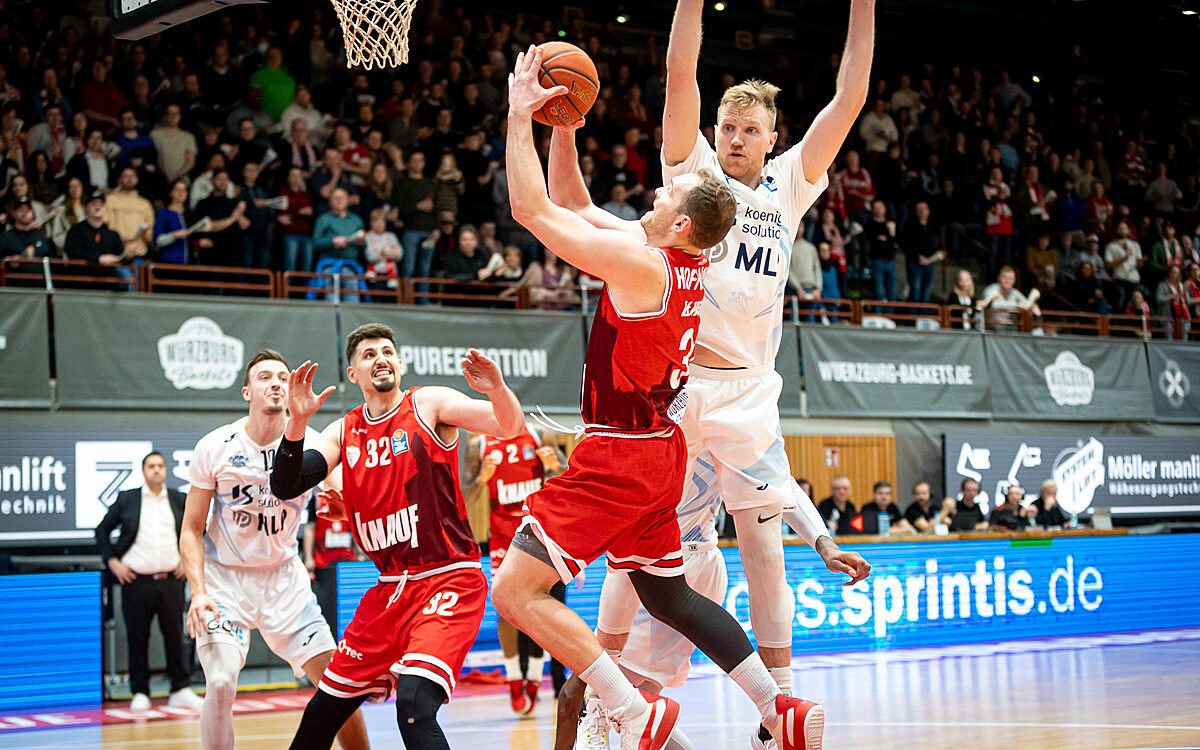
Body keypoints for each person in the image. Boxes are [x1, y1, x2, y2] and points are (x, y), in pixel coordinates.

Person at [493, 46, 817, 750]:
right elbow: (575, 202)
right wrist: (563, 123)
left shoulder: (641, 263)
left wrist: (520, 116)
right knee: (668, 595)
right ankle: (778, 704)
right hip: (662, 453)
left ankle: (634, 714)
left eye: (662, 198)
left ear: (677, 224)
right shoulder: (684, 261)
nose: (650, 197)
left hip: (619, 454)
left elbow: (531, 208)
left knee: (514, 592)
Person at [635, 4, 875, 745]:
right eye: (728, 127)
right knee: (648, 554)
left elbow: (849, 99)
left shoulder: (790, 186)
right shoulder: (694, 177)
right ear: (715, 134)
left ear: (772, 138)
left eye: (750, 129)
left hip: (747, 390)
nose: (736, 138)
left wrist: (863, 8)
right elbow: (680, 72)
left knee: (764, 545)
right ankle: (630, 701)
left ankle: (781, 708)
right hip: (677, 386)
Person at [272, 326, 522, 750]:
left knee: (414, 705)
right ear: (354, 373)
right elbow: (286, 484)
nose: (381, 358)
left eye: (388, 351)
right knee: (320, 713)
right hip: (390, 589)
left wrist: (497, 388)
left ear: (401, 365)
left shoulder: (428, 403)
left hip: (449, 578)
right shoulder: (342, 432)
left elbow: (508, 424)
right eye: (369, 355)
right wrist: (297, 422)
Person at [180, 350, 369, 750]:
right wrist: (198, 592)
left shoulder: (315, 443)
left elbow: (342, 499)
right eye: (265, 377)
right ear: (248, 392)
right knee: (220, 680)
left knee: (339, 683)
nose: (277, 383)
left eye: (283, 377)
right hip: (224, 583)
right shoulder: (216, 445)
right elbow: (191, 529)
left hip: (285, 580)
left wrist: (341, 503)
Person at [94, 451, 203, 713]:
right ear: (143, 471)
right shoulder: (128, 499)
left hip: (171, 580)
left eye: (160, 466)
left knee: (176, 635)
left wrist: (186, 562)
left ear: (166, 470)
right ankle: (140, 691)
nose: (156, 470)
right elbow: (101, 531)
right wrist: (113, 562)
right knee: (137, 637)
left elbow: (199, 531)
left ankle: (180, 688)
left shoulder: (179, 499)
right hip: (136, 582)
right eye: (151, 466)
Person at [467, 424, 561, 715]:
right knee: (504, 607)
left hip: (538, 532)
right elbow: (466, 495)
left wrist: (554, 467)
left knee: (539, 606)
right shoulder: (478, 445)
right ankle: (513, 678)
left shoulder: (538, 434)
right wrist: (482, 480)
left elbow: (567, 476)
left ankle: (533, 677)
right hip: (502, 535)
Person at [302, 475, 358, 638]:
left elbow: (355, 522)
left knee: (350, 610)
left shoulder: (350, 491)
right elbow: (310, 528)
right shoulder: (316, 496)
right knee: (327, 609)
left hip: (347, 560)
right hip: (324, 562)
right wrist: (309, 558)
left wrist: (360, 552)